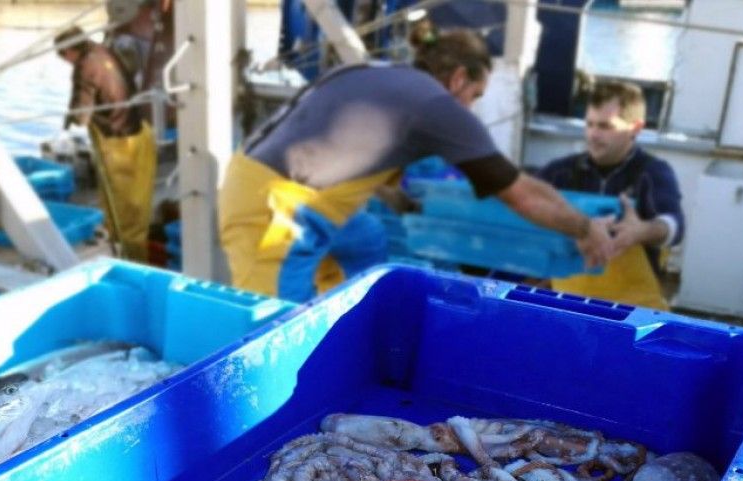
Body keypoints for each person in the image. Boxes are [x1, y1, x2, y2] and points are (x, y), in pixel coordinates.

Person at [218, 25, 616, 302]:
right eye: (475, 95)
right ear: (459, 78)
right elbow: (522, 195)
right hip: (273, 211)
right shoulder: (437, 106)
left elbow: (340, 148)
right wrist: (584, 227)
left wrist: (397, 199)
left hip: (272, 181)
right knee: (279, 331)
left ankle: (351, 317)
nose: (471, 107)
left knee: (369, 236)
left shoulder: (377, 72)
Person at [536, 81, 684, 309]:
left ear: (635, 128)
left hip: (633, 316)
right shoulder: (560, 172)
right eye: (589, 124)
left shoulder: (652, 172)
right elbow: (522, 207)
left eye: (605, 126)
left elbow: (674, 225)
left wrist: (642, 231)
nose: (593, 135)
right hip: (567, 307)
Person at [55, 25, 156, 262]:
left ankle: (131, 262)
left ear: (70, 50)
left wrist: (71, 119)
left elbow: (81, 114)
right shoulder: (103, 51)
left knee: (122, 213)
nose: (64, 61)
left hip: (119, 144)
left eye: (62, 55)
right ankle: (134, 252)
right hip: (141, 134)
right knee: (138, 208)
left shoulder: (85, 66)